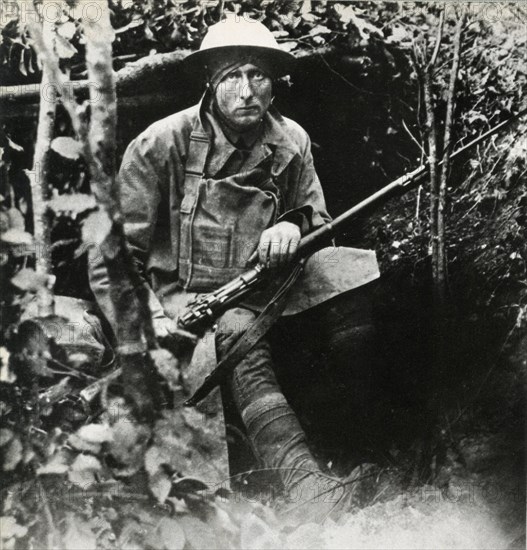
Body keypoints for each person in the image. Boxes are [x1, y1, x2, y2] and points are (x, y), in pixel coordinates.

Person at [89, 15, 379, 510]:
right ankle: (307, 484)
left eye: (258, 76)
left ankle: (364, 438)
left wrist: (294, 223)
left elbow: (322, 223)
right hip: (189, 306)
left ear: (274, 82)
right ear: (210, 81)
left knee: (351, 272)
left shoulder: (292, 140)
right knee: (238, 332)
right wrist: (152, 326)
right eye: (231, 77)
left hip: (274, 289)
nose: (246, 91)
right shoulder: (162, 144)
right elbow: (111, 259)